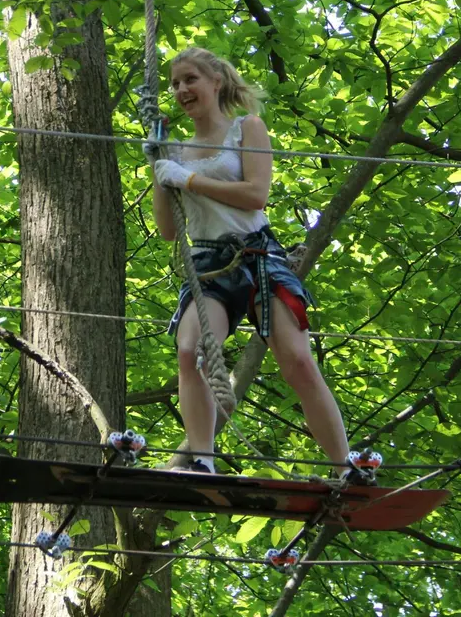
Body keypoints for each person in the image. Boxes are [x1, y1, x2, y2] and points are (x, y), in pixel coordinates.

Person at [146, 46, 362, 481]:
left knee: (298, 360)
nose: (181, 90)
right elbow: (169, 230)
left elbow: (255, 194)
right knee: (191, 351)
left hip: (258, 254)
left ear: (216, 81)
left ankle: (346, 466)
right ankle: (202, 462)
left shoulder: (248, 128)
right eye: (174, 84)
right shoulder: (177, 149)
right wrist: (159, 165)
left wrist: (187, 178)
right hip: (208, 262)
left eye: (190, 79)